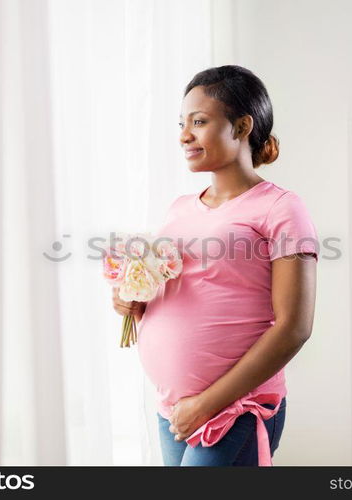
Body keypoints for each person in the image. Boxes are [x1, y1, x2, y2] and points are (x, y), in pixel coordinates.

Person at [111, 65, 318, 466]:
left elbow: (295, 326)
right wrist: (131, 300)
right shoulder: (180, 209)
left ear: (241, 126)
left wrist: (208, 403)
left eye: (199, 122)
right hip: (173, 407)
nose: (184, 135)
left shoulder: (281, 207)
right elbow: (183, 293)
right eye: (182, 123)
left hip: (235, 408)